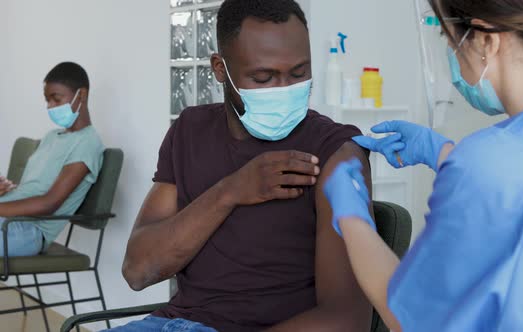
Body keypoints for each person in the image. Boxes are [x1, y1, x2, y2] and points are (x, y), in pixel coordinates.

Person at [324, 0, 523, 331]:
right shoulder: (503, 163)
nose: (454, 61)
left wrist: (353, 218)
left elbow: (410, 318)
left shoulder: (489, 163)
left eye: (451, 43)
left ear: (487, 41)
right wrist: (444, 153)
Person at [118, 0, 373, 331]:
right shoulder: (189, 131)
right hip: (173, 323)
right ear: (220, 69)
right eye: (264, 77)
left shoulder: (335, 152)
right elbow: (138, 270)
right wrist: (231, 190)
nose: (285, 90)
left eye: (299, 73)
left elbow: (346, 320)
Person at [0, 62, 104, 257]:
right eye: (47, 100)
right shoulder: (51, 137)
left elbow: (49, 203)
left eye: (56, 99)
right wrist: (8, 188)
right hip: (9, 220)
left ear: (81, 95)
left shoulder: (88, 143)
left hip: (29, 231)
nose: (50, 106)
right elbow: (35, 186)